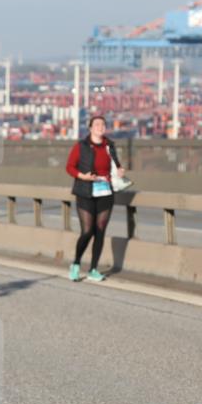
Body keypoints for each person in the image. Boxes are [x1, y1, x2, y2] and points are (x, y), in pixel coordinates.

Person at [65, 115, 125, 282]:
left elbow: (116, 165)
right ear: (90, 128)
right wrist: (82, 176)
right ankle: (76, 264)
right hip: (85, 192)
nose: (100, 126)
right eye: (97, 124)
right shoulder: (81, 146)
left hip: (105, 193)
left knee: (100, 231)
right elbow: (69, 167)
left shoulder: (109, 146)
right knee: (87, 231)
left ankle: (93, 269)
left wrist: (120, 170)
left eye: (103, 124)